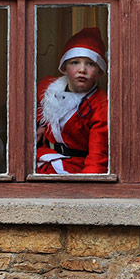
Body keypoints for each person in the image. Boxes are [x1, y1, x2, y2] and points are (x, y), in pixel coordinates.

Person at [35, 27, 108, 174]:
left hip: (74, 169)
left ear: (100, 71)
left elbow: (97, 156)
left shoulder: (101, 106)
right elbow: (39, 103)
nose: (82, 69)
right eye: (75, 62)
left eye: (90, 64)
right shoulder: (48, 88)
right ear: (64, 68)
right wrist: (42, 123)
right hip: (42, 160)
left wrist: (87, 189)